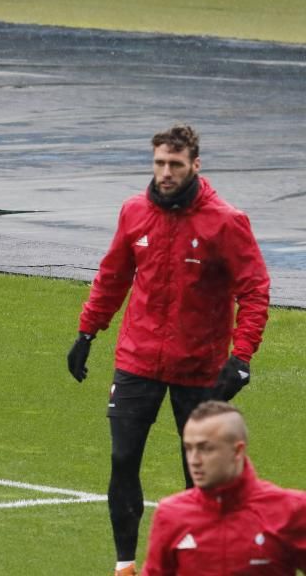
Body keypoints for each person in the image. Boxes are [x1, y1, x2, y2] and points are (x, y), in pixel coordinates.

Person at [65, 124, 271, 576]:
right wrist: (87, 332)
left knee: (197, 474)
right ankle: (124, 566)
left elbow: (254, 290)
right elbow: (113, 275)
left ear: (195, 165)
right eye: (159, 163)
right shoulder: (134, 211)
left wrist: (241, 358)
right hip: (137, 360)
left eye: (175, 165)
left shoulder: (226, 221)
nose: (165, 173)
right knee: (122, 458)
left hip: (200, 369)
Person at [142, 401, 306, 575]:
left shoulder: (291, 510)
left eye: (206, 449)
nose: (194, 460)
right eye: (189, 449)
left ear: (237, 451)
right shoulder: (170, 514)